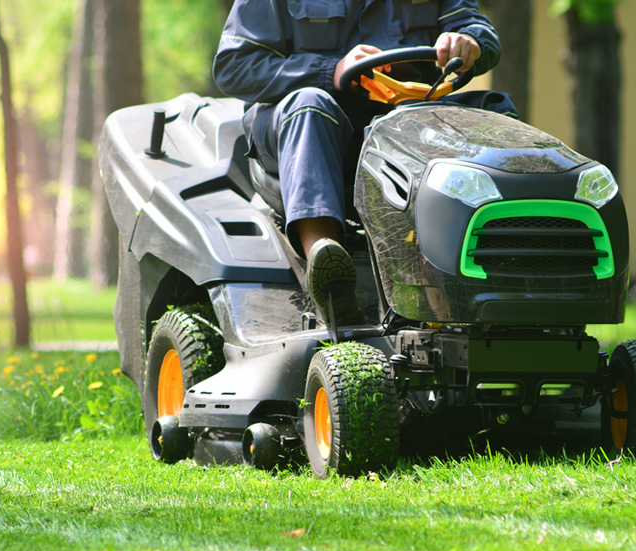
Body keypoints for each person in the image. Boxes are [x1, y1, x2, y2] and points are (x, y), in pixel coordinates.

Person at [213, 0, 501, 326]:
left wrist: (470, 41)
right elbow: (234, 66)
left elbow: (476, 30)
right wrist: (330, 71)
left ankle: (506, 264)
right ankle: (326, 266)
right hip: (304, 124)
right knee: (310, 104)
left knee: (494, 110)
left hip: (408, 119)